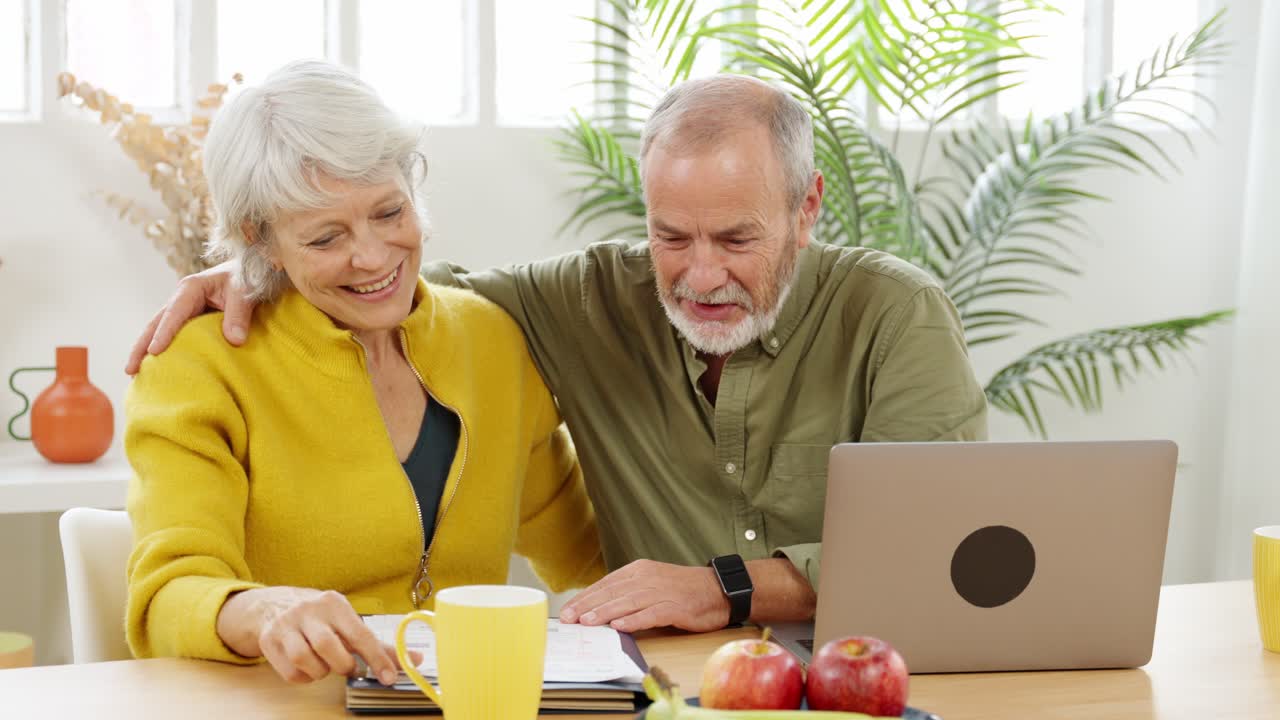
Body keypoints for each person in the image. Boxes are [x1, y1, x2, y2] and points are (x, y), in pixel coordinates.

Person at [128, 74, 986, 637]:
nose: (700, 274)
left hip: (849, 675)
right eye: (670, 236)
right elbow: (415, 302)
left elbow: (941, 552)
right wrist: (260, 276)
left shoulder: (894, 317)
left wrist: (717, 587)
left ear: (807, 210)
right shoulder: (210, 361)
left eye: (736, 238)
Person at [124, 60, 604, 686]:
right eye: (326, 239)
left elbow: (590, 554)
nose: (373, 257)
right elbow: (168, 594)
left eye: (388, 213)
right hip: (290, 701)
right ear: (260, 239)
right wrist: (259, 609)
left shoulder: (491, 342)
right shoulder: (200, 365)